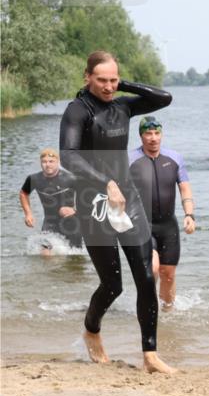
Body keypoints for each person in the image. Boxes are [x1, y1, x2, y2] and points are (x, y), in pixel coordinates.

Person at [59, 50, 176, 374]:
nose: (109, 87)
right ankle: (91, 330)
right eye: (102, 80)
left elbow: (164, 98)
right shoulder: (77, 111)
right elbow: (69, 156)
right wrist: (106, 182)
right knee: (113, 285)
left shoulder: (123, 106)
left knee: (146, 277)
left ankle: (150, 355)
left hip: (128, 200)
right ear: (87, 77)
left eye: (114, 80)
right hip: (93, 204)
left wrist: (122, 83)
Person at [128, 116, 196, 309]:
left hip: (168, 225)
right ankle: (150, 309)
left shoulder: (174, 158)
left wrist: (189, 215)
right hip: (142, 224)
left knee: (169, 274)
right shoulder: (130, 159)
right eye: (148, 134)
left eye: (157, 133)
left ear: (161, 135)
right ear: (141, 136)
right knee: (154, 268)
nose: (153, 138)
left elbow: (185, 188)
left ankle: (168, 312)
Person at [19, 148, 83, 253]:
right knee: (45, 252)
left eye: (51, 161)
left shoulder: (70, 178)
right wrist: (28, 214)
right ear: (40, 163)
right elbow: (23, 193)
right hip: (49, 222)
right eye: (44, 162)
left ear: (58, 162)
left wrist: (75, 210)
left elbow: (88, 197)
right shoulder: (34, 179)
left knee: (75, 256)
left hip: (71, 223)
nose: (47, 165)